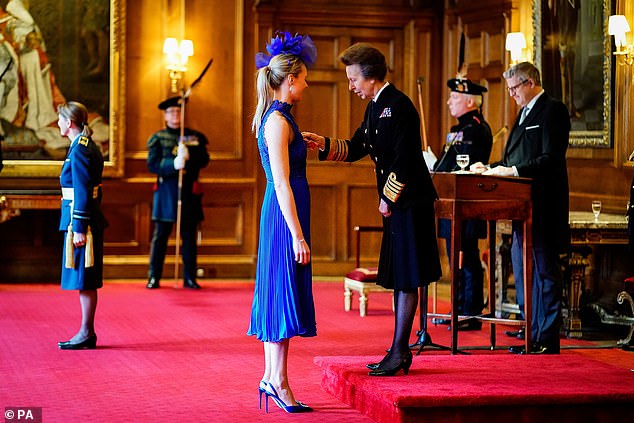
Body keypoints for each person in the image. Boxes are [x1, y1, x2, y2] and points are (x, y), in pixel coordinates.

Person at [303, 43, 441, 376]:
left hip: (410, 203)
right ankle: (398, 349)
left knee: (408, 277)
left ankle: (399, 351)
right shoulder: (374, 108)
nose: (351, 86)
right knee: (400, 277)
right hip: (398, 205)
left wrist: (388, 197)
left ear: (371, 76)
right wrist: (324, 144)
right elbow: (357, 147)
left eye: (353, 79)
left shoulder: (400, 106)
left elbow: (406, 160)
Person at [471, 61, 570, 354]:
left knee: (543, 272)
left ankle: (547, 338)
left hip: (542, 205)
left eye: (515, 88)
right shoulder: (522, 112)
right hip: (519, 207)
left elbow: (550, 158)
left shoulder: (553, 110)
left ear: (530, 83)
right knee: (524, 271)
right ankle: (532, 333)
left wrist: (512, 172)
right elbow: (513, 157)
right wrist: (489, 168)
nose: (511, 94)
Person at [247, 31, 316, 413]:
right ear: (289, 80)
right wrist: (298, 236)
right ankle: (279, 381)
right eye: (303, 78)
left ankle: (272, 377)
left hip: (285, 213)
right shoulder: (277, 122)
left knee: (279, 292)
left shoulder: (281, 121)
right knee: (279, 294)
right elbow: (282, 183)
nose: (306, 84)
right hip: (282, 217)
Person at [423, 77, 492, 331]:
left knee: (468, 257)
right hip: (449, 202)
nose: (449, 101)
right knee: (455, 258)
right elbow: (447, 164)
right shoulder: (457, 130)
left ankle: (470, 311)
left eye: (454, 97)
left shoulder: (476, 129)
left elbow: (465, 165)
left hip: (467, 203)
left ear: (470, 101)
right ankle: (458, 306)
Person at [56, 101, 107, 350]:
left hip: (81, 223)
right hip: (82, 219)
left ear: (69, 123)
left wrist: (79, 227)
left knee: (85, 279)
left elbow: (84, 190)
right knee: (83, 279)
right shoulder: (82, 146)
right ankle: (85, 331)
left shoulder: (80, 150)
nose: (57, 124)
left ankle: (86, 332)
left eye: (60, 120)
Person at [146, 96, 210, 289]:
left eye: (178, 111)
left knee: (189, 237)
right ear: (165, 116)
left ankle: (190, 277)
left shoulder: (194, 137)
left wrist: (189, 158)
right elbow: (152, 165)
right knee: (160, 237)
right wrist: (172, 164)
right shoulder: (157, 138)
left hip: (188, 194)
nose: (175, 115)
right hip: (166, 193)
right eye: (172, 112)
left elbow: (204, 160)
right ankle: (154, 276)